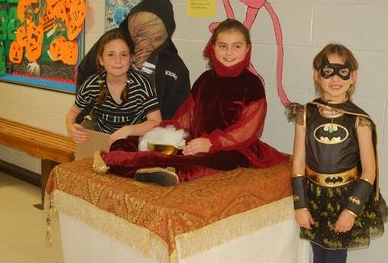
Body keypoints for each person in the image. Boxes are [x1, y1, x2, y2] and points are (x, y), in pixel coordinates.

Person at [93, 19, 288, 186]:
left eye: (236, 46)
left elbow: (247, 130)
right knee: (129, 143)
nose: (229, 53)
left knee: (192, 164)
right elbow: (187, 117)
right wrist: (164, 133)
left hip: (234, 150)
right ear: (213, 47)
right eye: (222, 46)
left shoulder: (252, 85)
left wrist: (210, 143)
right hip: (197, 140)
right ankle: (129, 162)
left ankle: (146, 169)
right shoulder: (205, 79)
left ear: (247, 49)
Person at [290, 43, 387, 263]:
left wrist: (350, 210)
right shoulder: (305, 114)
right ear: (317, 75)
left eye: (342, 73)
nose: (335, 80)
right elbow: (298, 161)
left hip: (344, 199)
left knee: (335, 256)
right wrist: (301, 205)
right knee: (318, 255)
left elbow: (369, 170)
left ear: (353, 76)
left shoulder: (359, 120)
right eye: (328, 72)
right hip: (314, 198)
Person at [77, 0, 190, 120]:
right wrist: (88, 107)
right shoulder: (112, 42)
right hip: (104, 126)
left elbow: (177, 109)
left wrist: (159, 133)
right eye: (139, 35)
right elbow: (87, 71)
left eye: (155, 38)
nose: (145, 42)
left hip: (148, 133)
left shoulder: (173, 65)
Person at [66, 28, 161, 145]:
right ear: (101, 60)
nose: (118, 60)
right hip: (102, 145)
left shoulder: (142, 84)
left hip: (132, 146)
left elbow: (156, 122)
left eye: (123, 55)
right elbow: (73, 112)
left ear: (131, 59)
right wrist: (70, 127)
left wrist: (128, 130)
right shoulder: (92, 84)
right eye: (111, 55)